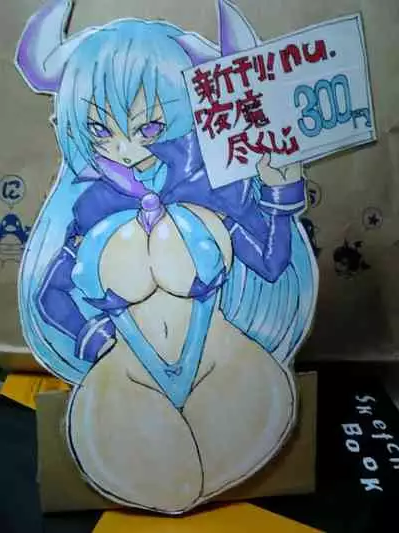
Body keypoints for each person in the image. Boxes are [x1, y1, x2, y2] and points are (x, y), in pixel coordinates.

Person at [16, 0, 317, 513]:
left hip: (226, 361)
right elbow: (51, 294)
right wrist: (97, 341)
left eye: (149, 128)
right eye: (101, 130)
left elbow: (269, 261)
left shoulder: (211, 187)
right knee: (152, 473)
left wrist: (279, 192)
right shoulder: (90, 206)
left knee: (236, 442)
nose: (125, 147)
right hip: (125, 371)